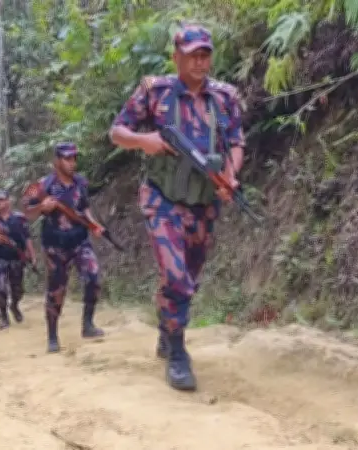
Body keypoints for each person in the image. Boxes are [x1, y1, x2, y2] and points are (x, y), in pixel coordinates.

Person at [108, 24, 245, 391]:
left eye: (206, 55)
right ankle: (178, 353)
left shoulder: (225, 97)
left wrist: (231, 178)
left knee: (189, 279)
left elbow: (235, 142)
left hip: (204, 202)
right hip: (162, 199)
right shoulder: (156, 91)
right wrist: (144, 140)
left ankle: (167, 330)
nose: (200, 62)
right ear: (177, 57)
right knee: (176, 277)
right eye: (193, 55)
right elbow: (117, 132)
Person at [22, 142, 106, 353]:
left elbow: (83, 208)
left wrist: (93, 224)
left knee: (93, 277)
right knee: (56, 291)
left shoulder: (80, 183)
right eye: (67, 159)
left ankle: (87, 324)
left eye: (74, 158)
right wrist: (42, 207)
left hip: (79, 241)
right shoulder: (41, 185)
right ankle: (52, 335)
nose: (72, 163)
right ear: (56, 161)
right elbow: (25, 213)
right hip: (55, 247)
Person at [0, 189, 37, 329]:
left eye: (1, 199)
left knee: (18, 290)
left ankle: (14, 306)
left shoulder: (19, 218)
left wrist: (32, 256)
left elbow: (27, 238)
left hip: (16, 259)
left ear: (8, 201)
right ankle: (4, 316)